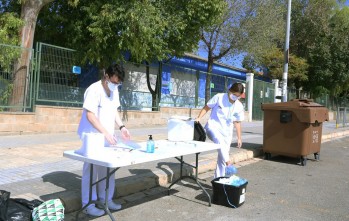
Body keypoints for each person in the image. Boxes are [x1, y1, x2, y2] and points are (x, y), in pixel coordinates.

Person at [77, 63, 131, 217]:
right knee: (91, 170)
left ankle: (106, 199)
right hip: (92, 137)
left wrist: (122, 127)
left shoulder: (114, 91)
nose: (116, 85)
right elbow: (90, 115)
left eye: (119, 83)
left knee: (107, 168)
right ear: (106, 76)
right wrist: (105, 132)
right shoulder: (93, 90)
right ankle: (88, 203)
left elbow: (114, 111)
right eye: (114, 82)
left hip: (107, 136)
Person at [195, 82, 244, 178]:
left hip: (227, 132)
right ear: (230, 91)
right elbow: (207, 107)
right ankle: (229, 163)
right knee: (220, 143)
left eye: (237, 96)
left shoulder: (239, 106)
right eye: (234, 95)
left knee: (222, 156)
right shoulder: (219, 97)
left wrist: (239, 138)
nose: (235, 97)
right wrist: (199, 118)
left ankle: (218, 180)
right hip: (213, 127)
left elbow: (237, 122)